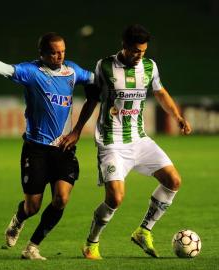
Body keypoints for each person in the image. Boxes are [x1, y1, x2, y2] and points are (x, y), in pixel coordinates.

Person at [0, 32, 98, 260]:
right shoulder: (31, 72)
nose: (59, 56)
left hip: (63, 147)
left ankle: (32, 246)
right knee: (33, 207)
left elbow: (97, 78)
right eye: (53, 52)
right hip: (36, 149)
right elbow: (6, 69)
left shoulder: (72, 71)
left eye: (62, 51)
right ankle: (19, 219)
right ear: (42, 54)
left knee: (61, 199)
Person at [65, 24, 192, 259]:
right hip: (111, 141)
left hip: (139, 139)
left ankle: (144, 231)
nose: (138, 56)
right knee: (115, 198)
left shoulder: (149, 66)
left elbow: (160, 92)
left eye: (142, 51)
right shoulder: (104, 66)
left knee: (173, 180)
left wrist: (177, 116)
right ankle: (91, 243)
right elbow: (92, 100)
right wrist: (76, 131)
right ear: (123, 46)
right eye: (135, 51)